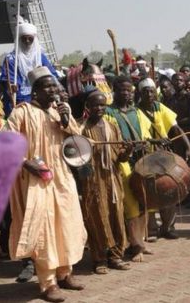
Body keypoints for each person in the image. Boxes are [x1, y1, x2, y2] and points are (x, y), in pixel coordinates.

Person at [7, 66, 86, 302]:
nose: (54, 90)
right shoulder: (21, 112)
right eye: (48, 87)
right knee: (45, 230)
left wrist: (65, 118)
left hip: (61, 177)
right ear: (36, 91)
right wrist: (24, 162)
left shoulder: (59, 111)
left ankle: (65, 273)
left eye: (55, 86)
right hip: (36, 179)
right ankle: (48, 283)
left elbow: (76, 136)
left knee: (67, 223)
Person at [79, 90, 132, 274]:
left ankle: (116, 256)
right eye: (95, 105)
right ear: (88, 107)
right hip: (92, 182)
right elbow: (74, 158)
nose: (99, 108)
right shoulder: (80, 129)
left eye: (102, 105)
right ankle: (99, 259)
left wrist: (128, 151)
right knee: (96, 217)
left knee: (116, 216)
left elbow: (121, 158)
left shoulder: (112, 127)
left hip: (113, 180)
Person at [137, 78, 190, 240]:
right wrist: (155, 141)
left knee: (169, 187)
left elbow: (176, 127)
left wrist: (188, 146)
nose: (149, 94)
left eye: (152, 91)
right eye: (145, 91)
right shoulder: (136, 111)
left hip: (163, 154)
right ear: (140, 94)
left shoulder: (160, 107)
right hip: (145, 156)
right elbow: (139, 136)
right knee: (149, 191)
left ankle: (168, 226)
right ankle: (152, 229)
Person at [105, 76, 152, 262]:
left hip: (140, 160)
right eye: (122, 90)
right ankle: (135, 245)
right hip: (121, 162)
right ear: (114, 91)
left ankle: (141, 240)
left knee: (143, 202)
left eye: (129, 90)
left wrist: (145, 145)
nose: (126, 93)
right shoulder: (108, 113)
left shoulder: (137, 112)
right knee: (131, 204)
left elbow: (146, 135)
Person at [0, 22, 57, 116]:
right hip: (20, 102)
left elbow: (53, 76)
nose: (27, 41)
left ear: (34, 39)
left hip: (42, 100)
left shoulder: (41, 57)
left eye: (30, 38)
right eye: (24, 38)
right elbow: (10, 84)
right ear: (19, 39)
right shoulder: (11, 59)